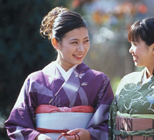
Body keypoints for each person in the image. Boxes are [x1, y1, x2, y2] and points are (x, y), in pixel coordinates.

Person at [5, 7, 114, 140]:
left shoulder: (99, 81)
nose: (81, 49)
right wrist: (38, 137)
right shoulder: (35, 81)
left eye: (86, 41)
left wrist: (88, 135)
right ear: (56, 43)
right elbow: (17, 125)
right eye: (74, 42)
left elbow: (110, 125)